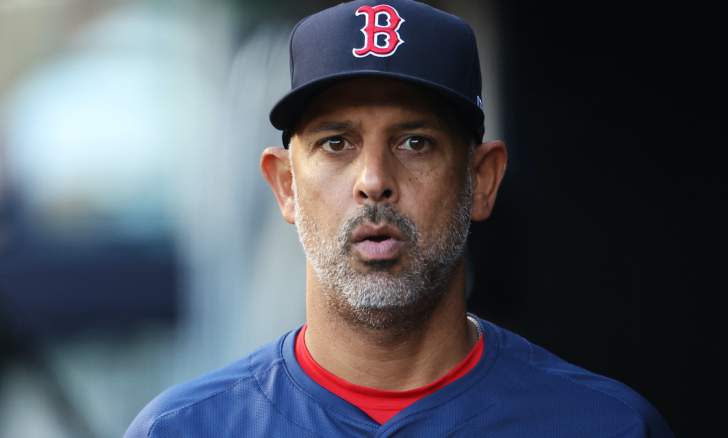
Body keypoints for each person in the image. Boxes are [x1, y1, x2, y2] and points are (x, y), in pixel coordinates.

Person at [125, 1, 674, 436]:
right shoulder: (185, 429)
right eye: (336, 142)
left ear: (481, 179)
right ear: (286, 186)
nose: (373, 179)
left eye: (415, 141)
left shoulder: (603, 426)